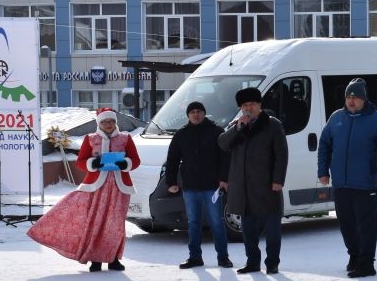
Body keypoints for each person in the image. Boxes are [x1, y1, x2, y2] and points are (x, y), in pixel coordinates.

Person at [28, 107, 140, 271]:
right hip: (95, 188)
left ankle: (113, 258)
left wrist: (126, 164)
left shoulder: (125, 139)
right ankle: (96, 258)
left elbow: (135, 160)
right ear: (99, 123)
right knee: (96, 223)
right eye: (105, 121)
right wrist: (92, 164)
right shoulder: (90, 139)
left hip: (119, 189)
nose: (108, 124)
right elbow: (81, 162)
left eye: (111, 121)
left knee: (115, 225)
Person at [317, 78, 377, 278]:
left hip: (365, 183)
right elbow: (324, 144)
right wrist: (323, 171)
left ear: (363, 99)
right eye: (349, 97)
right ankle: (354, 256)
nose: (351, 101)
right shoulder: (336, 118)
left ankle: (367, 263)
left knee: (366, 226)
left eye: (356, 97)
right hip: (341, 183)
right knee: (346, 224)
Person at [218, 87, 289, 274]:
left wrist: (278, 179)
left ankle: (272, 262)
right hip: (243, 186)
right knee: (248, 228)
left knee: (272, 227)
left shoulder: (273, 125)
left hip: (267, 184)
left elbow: (281, 155)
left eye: (252, 104)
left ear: (259, 105)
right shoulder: (236, 125)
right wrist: (237, 128)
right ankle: (252, 262)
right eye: (244, 105)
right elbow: (222, 144)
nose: (248, 108)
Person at [165, 101, 232, 269]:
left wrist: (224, 179)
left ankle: (223, 257)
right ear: (188, 115)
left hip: (212, 186)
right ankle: (195, 257)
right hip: (190, 187)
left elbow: (226, 157)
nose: (196, 114)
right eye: (192, 112)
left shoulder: (216, 131)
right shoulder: (181, 134)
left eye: (199, 111)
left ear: (204, 113)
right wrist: (171, 182)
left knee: (216, 221)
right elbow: (172, 159)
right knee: (193, 223)